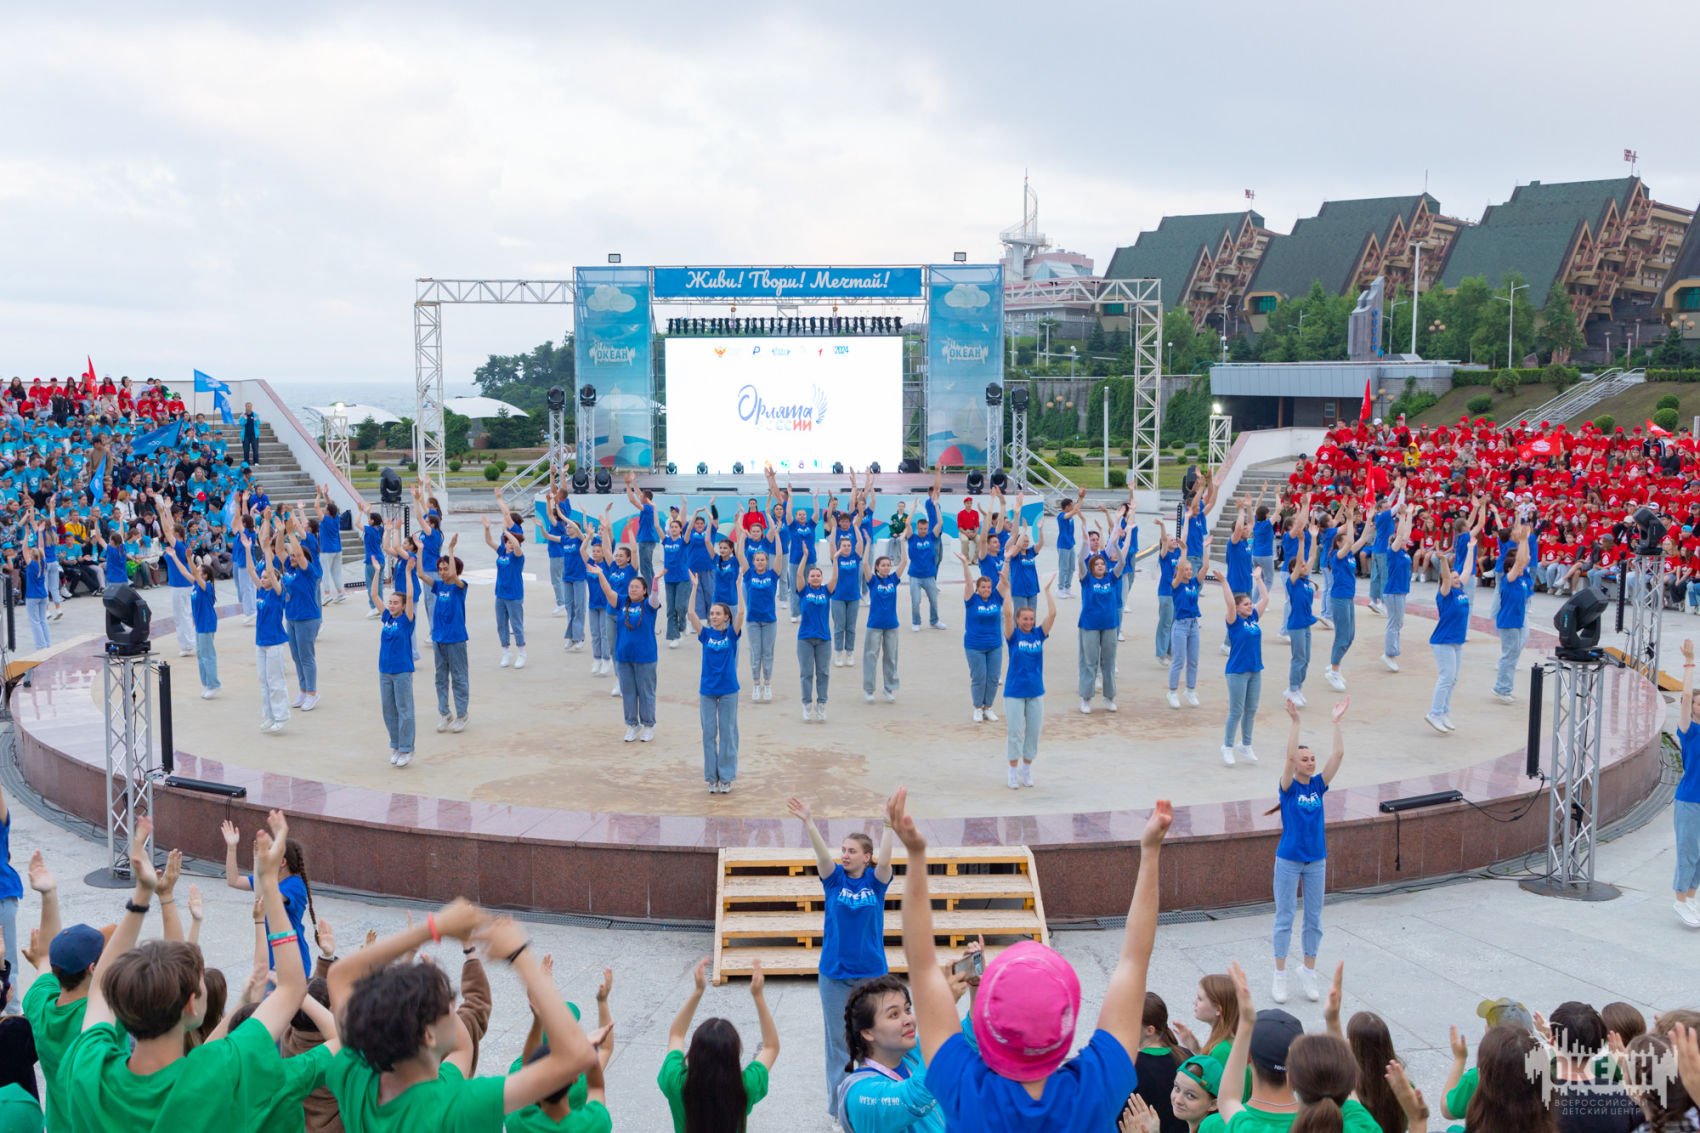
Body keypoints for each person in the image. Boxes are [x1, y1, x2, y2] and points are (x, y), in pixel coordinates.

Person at [891, 786, 1171, 1131]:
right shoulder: (1096, 1089)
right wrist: (1150, 852)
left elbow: (921, 966)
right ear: (1066, 1027)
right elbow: (1134, 961)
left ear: (985, 1028)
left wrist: (916, 856)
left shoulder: (966, 1090)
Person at [64, 811, 308, 1132]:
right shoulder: (218, 1072)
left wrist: (142, 895)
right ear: (191, 1005)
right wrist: (269, 887)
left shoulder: (88, 1068)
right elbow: (292, 988)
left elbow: (98, 988)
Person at [325, 899, 603, 1130]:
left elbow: (339, 975)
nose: (454, 1001)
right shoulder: (461, 1104)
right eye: (446, 1002)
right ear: (428, 1035)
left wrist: (436, 929)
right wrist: (519, 955)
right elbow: (577, 1056)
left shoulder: (354, 1073)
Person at [786, 796, 894, 1115]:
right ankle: (840, 1111)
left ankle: (871, 1107)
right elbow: (822, 855)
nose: (844, 855)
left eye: (851, 851)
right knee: (839, 1046)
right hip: (834, 976)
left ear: (866, 857)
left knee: (875, 1043)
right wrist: (809, 822)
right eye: (843, 850)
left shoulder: (876, 884)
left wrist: (889, 825)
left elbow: (886, 863)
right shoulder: (834, 881)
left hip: (872, 977)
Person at [837, 950, 982, 1133]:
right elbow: (917, 1097)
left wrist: (977, 989)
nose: (908, 1020)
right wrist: (942, 1007)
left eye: (907, 1010)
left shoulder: (914, 1053)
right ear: (867, 1032)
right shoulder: (860, 1094)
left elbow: (968, 1041)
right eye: (894, 1014)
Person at [1269, 696, 1348, 1004]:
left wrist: (1336, 723)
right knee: (1285, 916)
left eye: (1313, 758)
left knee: (1314, 918)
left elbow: (1338, 754)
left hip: (1316, 860)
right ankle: (1280, 975)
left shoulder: (1318, 786)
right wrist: (1296, 722)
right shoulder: (1289, 788)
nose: (1311, 762)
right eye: (1306, 759)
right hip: (1289, 860)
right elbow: (1289, 758)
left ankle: (1308, 970)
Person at [21, 850, 105, 1132]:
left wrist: (48, 894)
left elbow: (46, 956)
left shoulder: (39, 1004)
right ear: (93, 968)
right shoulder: (100, 1020)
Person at [658, 957, 778, 1133]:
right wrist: (758, 996)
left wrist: (698, 991)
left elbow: (676, 1034)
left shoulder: (675, 1082)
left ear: (694, 1054)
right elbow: (771, 1047)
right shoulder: (744, 1088)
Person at [220, 819, 317, 978]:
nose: (267, 855)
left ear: (282, 862)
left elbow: (263, 899)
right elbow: (233, 880)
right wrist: (231, 848)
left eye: (271, 852)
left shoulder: (295, 885)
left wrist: (259, 861)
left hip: (293, 961)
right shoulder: (270, 881)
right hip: (271, 960)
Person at [590, 554, 663, 742]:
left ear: (644, 591)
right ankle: (632, 724)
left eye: (637, 587)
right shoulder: (622, 601)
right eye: (631, 587)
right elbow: (608, 592)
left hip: (645, 657)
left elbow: (655, 597)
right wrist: (600, 575)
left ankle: (648, 725)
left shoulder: (649, 605)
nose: (632, 589)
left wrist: (655, 581)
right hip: (623, 656)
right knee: (628, 692)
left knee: (646, 692)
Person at [999, 570, 1057, 788]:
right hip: (1015, 691)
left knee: (1033, 733)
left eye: (1031, 619)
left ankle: (1027, 768)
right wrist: (1007, 590)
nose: (1029, 622)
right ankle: (1012, 772)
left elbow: (1052, 615)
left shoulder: (1038, 635)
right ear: (1018, 620)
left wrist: (1047, 591)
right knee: (1015, 732)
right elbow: (1007, 614)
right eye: (1025, 619)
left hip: (1035, 691)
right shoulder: (1013, 636)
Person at [1425, 507, 1479, 735]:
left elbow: (1467, 568)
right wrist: (1444, 562)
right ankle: (1434, 712)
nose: (1457, 579)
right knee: (1446, 677)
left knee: (1454, 678)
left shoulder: (1461, 589)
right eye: (1454, 578)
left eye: (1458, 578)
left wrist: (1471, 549)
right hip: (1443, 640)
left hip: (1456, 640)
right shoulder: (1445, 593)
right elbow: (1447, 577)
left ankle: (1444, 711)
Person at [687, 581, 744, 794]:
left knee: (728, 732)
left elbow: (742, 613)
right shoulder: (705, 634)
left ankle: (726, 777)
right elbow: (691, 613)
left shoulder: (731, 634)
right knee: (708, 734)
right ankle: (712, 777)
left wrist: (738, 586)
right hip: (708, 690)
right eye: (712, 613)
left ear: (726, 617)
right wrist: (694, 587)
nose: (714, 616)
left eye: (718, 613)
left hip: (728, 689)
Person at [370, 538, 417, 767]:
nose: (391, 605)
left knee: (404, 709)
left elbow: (410, 595)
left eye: (396, 603)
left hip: (402, 671)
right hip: (385, 670)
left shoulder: (407, 620)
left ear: (403, 605)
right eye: (391, 602)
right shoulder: (387, 617)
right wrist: (378, 572)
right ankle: (396, 745)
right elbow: (374, 596)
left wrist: (408, 573)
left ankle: (407, 748)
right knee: (388, 710)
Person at [1321, 499, 1374, 693]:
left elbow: (1362, 539)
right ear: (1339, 543)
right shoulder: (1337, 556)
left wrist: (1368, 519)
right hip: (1339, 598)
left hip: (1348, 598)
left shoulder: (1349, 554)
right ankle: (1334, 670)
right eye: (1344, 538)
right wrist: (1350, 520)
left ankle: (1334, 664)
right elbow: (1351, 541)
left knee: (1350, 636)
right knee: (1343, 636)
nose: (1348, 539)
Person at [1219, 569, 1269, 766]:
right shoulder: (1234, 622)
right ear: (1238, 608)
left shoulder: (1253, 618)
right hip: (1237, 672)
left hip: (1255, 670)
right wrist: (1224, 581)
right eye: (1246, 604)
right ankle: (1227, 746)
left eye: (1250, 603)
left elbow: (1265, 598)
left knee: (1251, 709)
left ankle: (1246, 744)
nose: (1250, 606)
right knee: (1236, 711)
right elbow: (1230, 603)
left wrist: (1258, 579)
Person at [421, 537, 470, 734]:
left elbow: (454, 576)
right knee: (440, 678)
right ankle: (444, 713)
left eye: (445, 568)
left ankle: (462, 714)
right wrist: (420, 550)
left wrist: (450, 549)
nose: (442, 572)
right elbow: (420, 574)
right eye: (440, 569)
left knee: (459, 677)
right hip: (439, 639)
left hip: (456, 639)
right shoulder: (438, 586)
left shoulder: (460, 587)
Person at [246, 521, 291, 734]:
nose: (263, 579)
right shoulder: (261, 591)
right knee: (263, 681)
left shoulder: (277, 592)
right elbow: (250, 570)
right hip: (260, 642)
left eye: (266, 577)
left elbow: (272, 572)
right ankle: (269, 716)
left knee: (275, 681)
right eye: (262, 577)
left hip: (274, 642)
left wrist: (266, 549)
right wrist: (248, 549)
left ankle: (281, 716)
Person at [161, 541, 220, 699]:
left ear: (205, 575)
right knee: (200, 655)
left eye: (199, 571)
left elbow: (193, 572)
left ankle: (214, 684)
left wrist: (189, 559)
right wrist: (174, 557)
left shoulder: (206, 586)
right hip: (200, 625)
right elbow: (183, 571)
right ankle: (206, 683)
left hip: (207, 624)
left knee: (208, 655)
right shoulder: (196, 585)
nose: (195, 572)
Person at [732, 525, 780, 703]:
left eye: (762, 560)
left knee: (767, 653)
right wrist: (742, 537)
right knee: (755, 653)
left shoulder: (773, 575)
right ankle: (756, 684)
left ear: (767, 561)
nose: (760, 562)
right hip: (752, 620)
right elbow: (740, 555)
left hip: (769, 621)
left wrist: (777, 537)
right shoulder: (748, 574)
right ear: (753, 562)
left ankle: (767, 684)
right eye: (757, 560)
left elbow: (779, 556)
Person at [1078, 540, 1124, 715]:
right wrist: (1085, 543)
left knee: (1109, 662)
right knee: (1089, 662)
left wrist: (1116, 545)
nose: (1100, 566)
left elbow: (1122, 562)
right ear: (1091, 567)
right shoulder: (1086, 579)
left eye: (1102, 564)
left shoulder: (1111, 578)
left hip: (1109, 625)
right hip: (1089, 625)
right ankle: (1086, 698)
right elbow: (1080, 561)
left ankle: (1109, 697)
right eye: (1096, 564)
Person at [957, 558, 1004, 724]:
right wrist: (965, 564)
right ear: (977, 588)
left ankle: (988, 707)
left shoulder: (996, 598)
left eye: (989, 587)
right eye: (983, 587)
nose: (986, 590)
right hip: (974, 646)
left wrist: (1008, 559)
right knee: (979, 677)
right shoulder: (972, 600)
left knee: (993, 678)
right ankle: (977, 707)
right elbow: (968, 582)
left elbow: (1003, 581)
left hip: (995, 645)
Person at [1492, 523, 1533, 705]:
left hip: (1518, 620)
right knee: (1509, 655)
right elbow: (1519, 562)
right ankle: (1502, 688)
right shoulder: (1508, 579)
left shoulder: (1522, 579)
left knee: (1514, 653)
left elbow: (1524, 559)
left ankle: (1504, 686)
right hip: (1509, 622)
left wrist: (1525, 541)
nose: (1522, 566)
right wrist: (1522, 540)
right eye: (1518, 566)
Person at [1675, 640, 1700, 928]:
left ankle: (1691, 898)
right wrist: (1690, 663)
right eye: (1697, 701)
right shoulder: (1688, 730)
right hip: (1690, 800)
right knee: (1688, 852)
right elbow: (1684, 695)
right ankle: (1680, 899)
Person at [483, 515, 528, 670]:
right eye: (507, 542)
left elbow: (516, 545)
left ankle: (522, 653)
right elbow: (489, 542)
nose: (509, 544)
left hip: (514, 595)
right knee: (501, 625)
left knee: (516, 625)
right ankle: (506, 652)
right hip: (500, 594)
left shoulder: (518, 556)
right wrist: (487, 529)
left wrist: (507, 532)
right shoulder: (502, 552)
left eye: (511, 542)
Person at [863, 544, 905, 703]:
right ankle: (869, 690)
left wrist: (903, 542)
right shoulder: (873, 581)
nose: (886, 567)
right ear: (877, 567)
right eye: (883, 565)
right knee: (871, 656)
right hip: (874, 624)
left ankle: (889, 688)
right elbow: (865, 563)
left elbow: (904, 562)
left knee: (891, 657)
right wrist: (868, 544)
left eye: (888, 565)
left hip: (891, 625)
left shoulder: (893, 579)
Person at [827, 515, 868, 668]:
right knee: (839, 626)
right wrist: (834, 529)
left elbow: (860, 542)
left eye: (848, 545)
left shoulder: (855, 557)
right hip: (838, 597)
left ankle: (849, 653)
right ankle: (838, 653)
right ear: (840, 547)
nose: (846, 547)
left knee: (851, 627)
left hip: (853, 597)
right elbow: (832, 542)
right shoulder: (836, 558)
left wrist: (855, 526)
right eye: (844, 545)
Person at [795, 560, 833, 722]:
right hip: (805, 638)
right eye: (812, 576)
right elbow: (798, 574)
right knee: (806, 673)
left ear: (822, 578)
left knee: (823, 673)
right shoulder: (804, 591)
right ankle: (807, 704)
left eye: (818, 575)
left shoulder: (826, 591)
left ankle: (821, 703)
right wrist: (804, 557)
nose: (815, 578)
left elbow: (836, 577)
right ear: (808, 578)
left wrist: (835, 559)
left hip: (824, 638)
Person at [1379, 498, 1414, 673]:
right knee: (1394, 623)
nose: (1405, 541)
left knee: (1398, 622)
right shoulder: (1393, 552)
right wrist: (1401, 516)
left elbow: (1405, 533)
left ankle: (1393, 651)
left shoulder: (1403, 553)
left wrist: (1410, 515)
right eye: (1401, 541)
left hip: (1400, 591)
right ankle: (1389, 653)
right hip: (1393, 591)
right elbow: (1400, 535)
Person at [1167, 557, 1203, 710]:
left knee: (1193, 660)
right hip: (1180, 626)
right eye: (1186, 569)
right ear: (1179, 571)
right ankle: (1172, 692)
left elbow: (1205, 567)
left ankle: (1190, 690)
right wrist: (1183, 551)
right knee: (1179, 660)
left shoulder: (1194, 583)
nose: (1189, 571)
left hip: (1194, 624)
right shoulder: (1176, 585)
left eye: (1190, 569)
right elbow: (1180, 569)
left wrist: (1205, 549)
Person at [1284, 548, 1317, 708]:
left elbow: (1313, 556)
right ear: (1294, 569)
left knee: (1306, 659)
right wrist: (1302, 542)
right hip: (1296, 625)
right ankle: (1292, 689)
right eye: (1301, 565)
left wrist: (1314, 538)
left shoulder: (1305, 581)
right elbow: (1300, 561)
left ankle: (1298, 688)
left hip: (1306, 624)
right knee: (1299, 658)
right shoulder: (1292, 582)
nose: (1305, 567)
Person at [906, 512, 944, 632]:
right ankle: (916, 622)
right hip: (915, 576)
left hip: (929, 576)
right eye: (921, 529)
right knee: (916, 601)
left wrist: (936, 507)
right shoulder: (912, 538)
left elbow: (940, 523)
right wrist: (913, 508)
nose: (923, 531)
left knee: (934, 601)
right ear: (917, 528)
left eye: (925, 529)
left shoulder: (931, 537)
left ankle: (934, 621)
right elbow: (907, 523)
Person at [662, 517, 693, 650]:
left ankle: (683, 623)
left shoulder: (683, 541)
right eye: (671, 527)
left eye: (676, 527)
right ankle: (674, 637)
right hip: (669, 578)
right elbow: (657, 526)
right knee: (670, 609)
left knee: (680, 606)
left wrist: (695, 513)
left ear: (680, 529)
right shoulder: (666, 541)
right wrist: (654, 508)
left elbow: (689, 528)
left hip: (683, 578)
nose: (673, 529)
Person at [1154, 520, 1181, 666]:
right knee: (1165, 623)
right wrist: (1162, 526)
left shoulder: (1178, 553)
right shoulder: (1164, 555)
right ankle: (1161, 653)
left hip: (1176, 593)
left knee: (1174, 623)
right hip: (1165, 592)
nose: (1174, 541)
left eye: (1174, 539)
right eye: (1172, 540)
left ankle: (1170, 652)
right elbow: (1164, 540)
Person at [314, 487, 345, 603]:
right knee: (336, 572)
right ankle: (340, 592)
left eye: (326, 508)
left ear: (328, 512)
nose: (324, 509)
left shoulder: (326, 520)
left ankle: (327, 594)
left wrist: (319, 494)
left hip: (327, 550)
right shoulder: (336, 518)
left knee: (325, 572)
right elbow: (331, 505)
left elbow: (316, 507)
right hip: (337, 549)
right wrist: (326, 494)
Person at [1055, 489, 1085, 598]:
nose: (1073, 507)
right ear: (1067, 507)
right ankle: (1060, 589)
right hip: (1063, 545)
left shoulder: (1070, 516)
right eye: (1071, 505)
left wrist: (1081, 498)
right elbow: (1075, 510)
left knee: (1072, 567)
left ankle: (1067, 588)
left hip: (1071, 544)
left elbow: (1076, 509)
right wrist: (1080, 498)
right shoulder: (1061, 516)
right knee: (1063, 568)